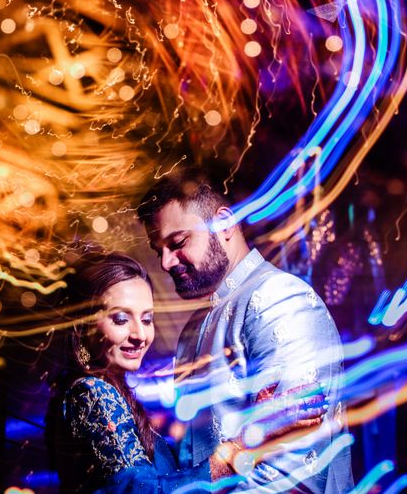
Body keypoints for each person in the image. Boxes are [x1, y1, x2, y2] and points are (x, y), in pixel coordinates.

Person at [138, 168, 355, 493]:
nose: (166, 262)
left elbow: (292, 472)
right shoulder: (193, 329)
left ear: (224, 224)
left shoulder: (279, 298)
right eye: (160, 251)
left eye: (178, 242)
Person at [45, 251, 254, 493]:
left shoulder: (93, 390)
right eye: (121, 319)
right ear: (83, 324)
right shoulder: (92, 392)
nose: (140, 336)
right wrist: (237, 453)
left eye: (147, 320)